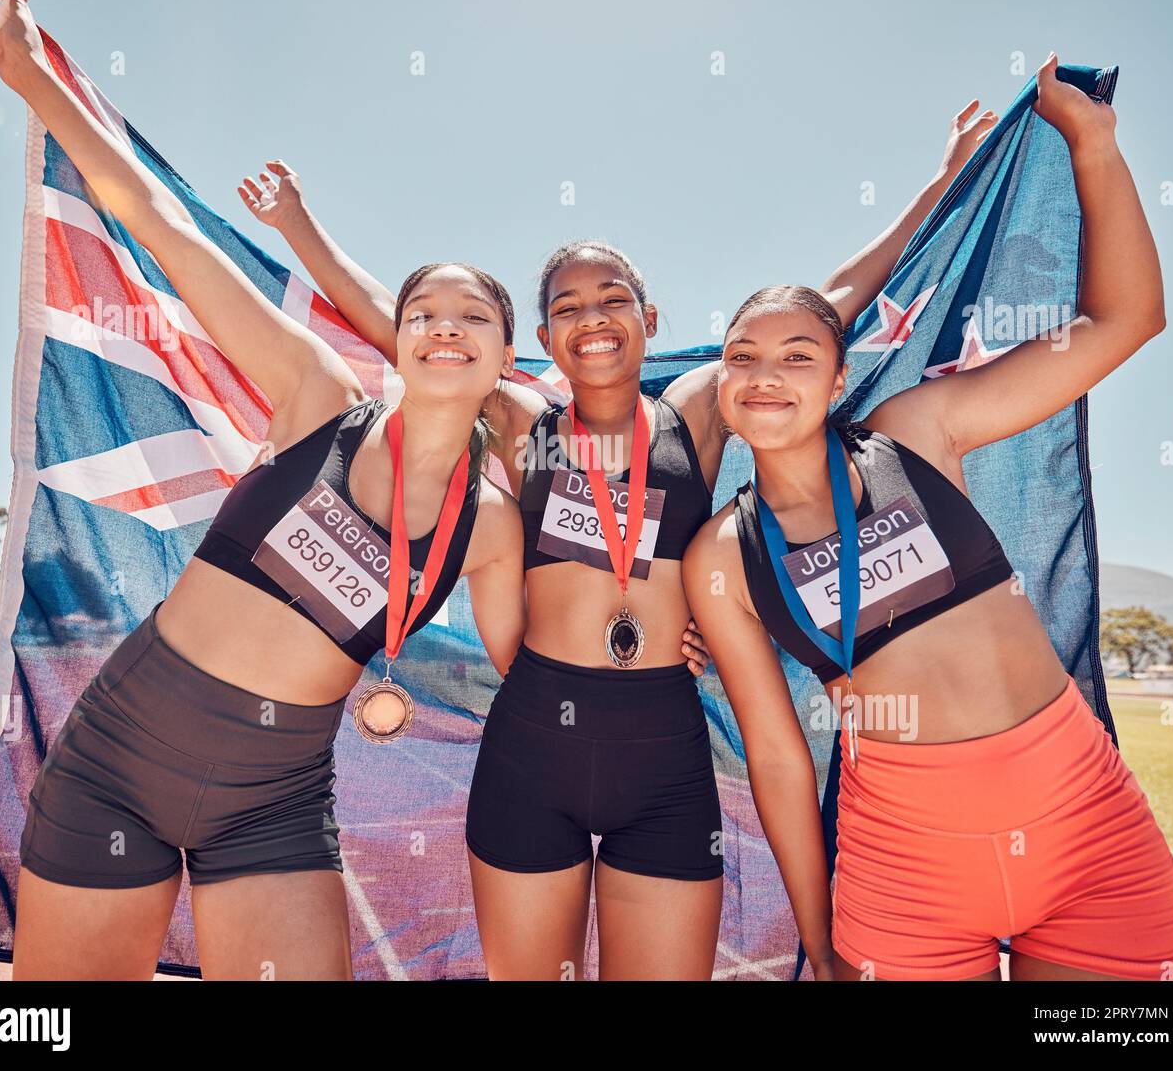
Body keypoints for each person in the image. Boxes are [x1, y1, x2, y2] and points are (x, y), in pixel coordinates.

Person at [234, 100, 996, 979]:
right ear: (546, 338)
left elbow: (821, 308)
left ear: (650, 317)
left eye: (613, 298)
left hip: (665, 750)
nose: (592, 316)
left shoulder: (703, 412)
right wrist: (297, 226)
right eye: (568, 307)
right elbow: (398, 325)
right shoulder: (524, 419)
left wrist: (940, 184)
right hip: (533, 742)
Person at [0, 0, 526, 981]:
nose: (444, 325)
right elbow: (166, 229)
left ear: (503, 355)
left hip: (271, 802)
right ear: (397, 336)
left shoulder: (490, 525)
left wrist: (649, 638)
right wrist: (34, 78)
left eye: (472, 316)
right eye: (423, 309)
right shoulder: (316, 395)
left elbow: (536, 667)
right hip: (119, 764)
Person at [683, 54, 1173, 982]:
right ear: (721, 384)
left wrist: (1093, 145)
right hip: (904, 872)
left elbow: (1125, 320)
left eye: (798, 355)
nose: (766, 373)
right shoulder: (722, 553)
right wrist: (822, 940)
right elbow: (777, 757)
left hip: (1085, 832)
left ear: (839, 378)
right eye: (741, 355)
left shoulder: (915, 433)